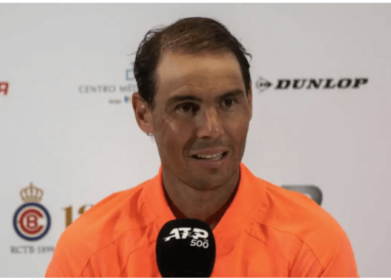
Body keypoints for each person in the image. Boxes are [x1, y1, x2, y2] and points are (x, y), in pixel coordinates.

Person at [45, 17, 359, 277]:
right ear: (144, 113)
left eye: (228, 102)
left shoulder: (314, 241)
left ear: (249, 102)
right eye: (186, 107)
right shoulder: (88, 248)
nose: (211, 129)